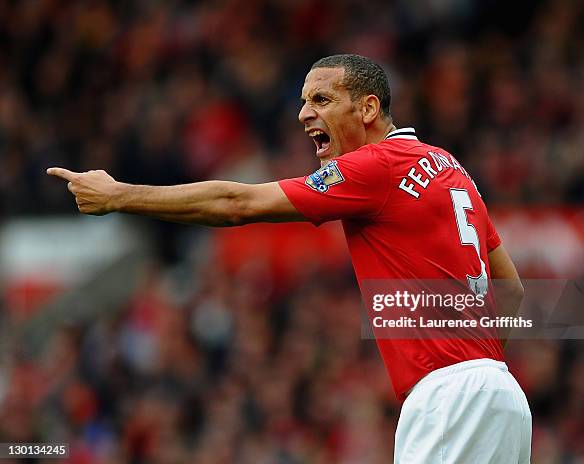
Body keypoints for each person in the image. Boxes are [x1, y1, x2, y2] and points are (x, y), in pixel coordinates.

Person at [48, 54, 531, 463]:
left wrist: (119, 195)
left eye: (321, 100)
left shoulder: (374, 166)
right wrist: (479, 366)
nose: (303, 114)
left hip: (448, 398)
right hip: (504, 398)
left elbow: (238, 204)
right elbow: (512, 292)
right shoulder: (450, 167)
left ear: (368, 108)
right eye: (303, 101)